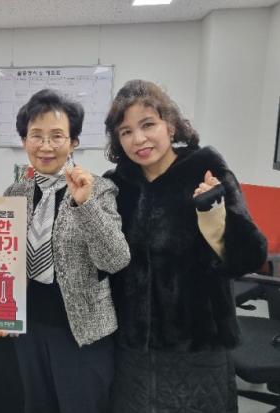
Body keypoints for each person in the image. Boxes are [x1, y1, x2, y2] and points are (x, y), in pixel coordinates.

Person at [104, 79, 268, 412]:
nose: (139, 139)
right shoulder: (116, 185)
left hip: (197, 346)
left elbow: (252, 255)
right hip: (133, 350)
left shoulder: (205, 170)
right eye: (126, 132)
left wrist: (216, 222)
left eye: (148, 125)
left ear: (170, 124)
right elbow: (105, 262)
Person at [0, 89, 130, 413]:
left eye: (57, 136)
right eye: (36, 135)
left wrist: (85, 204)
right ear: (24, 140)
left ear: (73, 142)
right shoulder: (15, 192)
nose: (45, 146)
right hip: (29, 329)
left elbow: (115, 259)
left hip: (82, 333)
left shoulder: (99, 188)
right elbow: (3, 259)